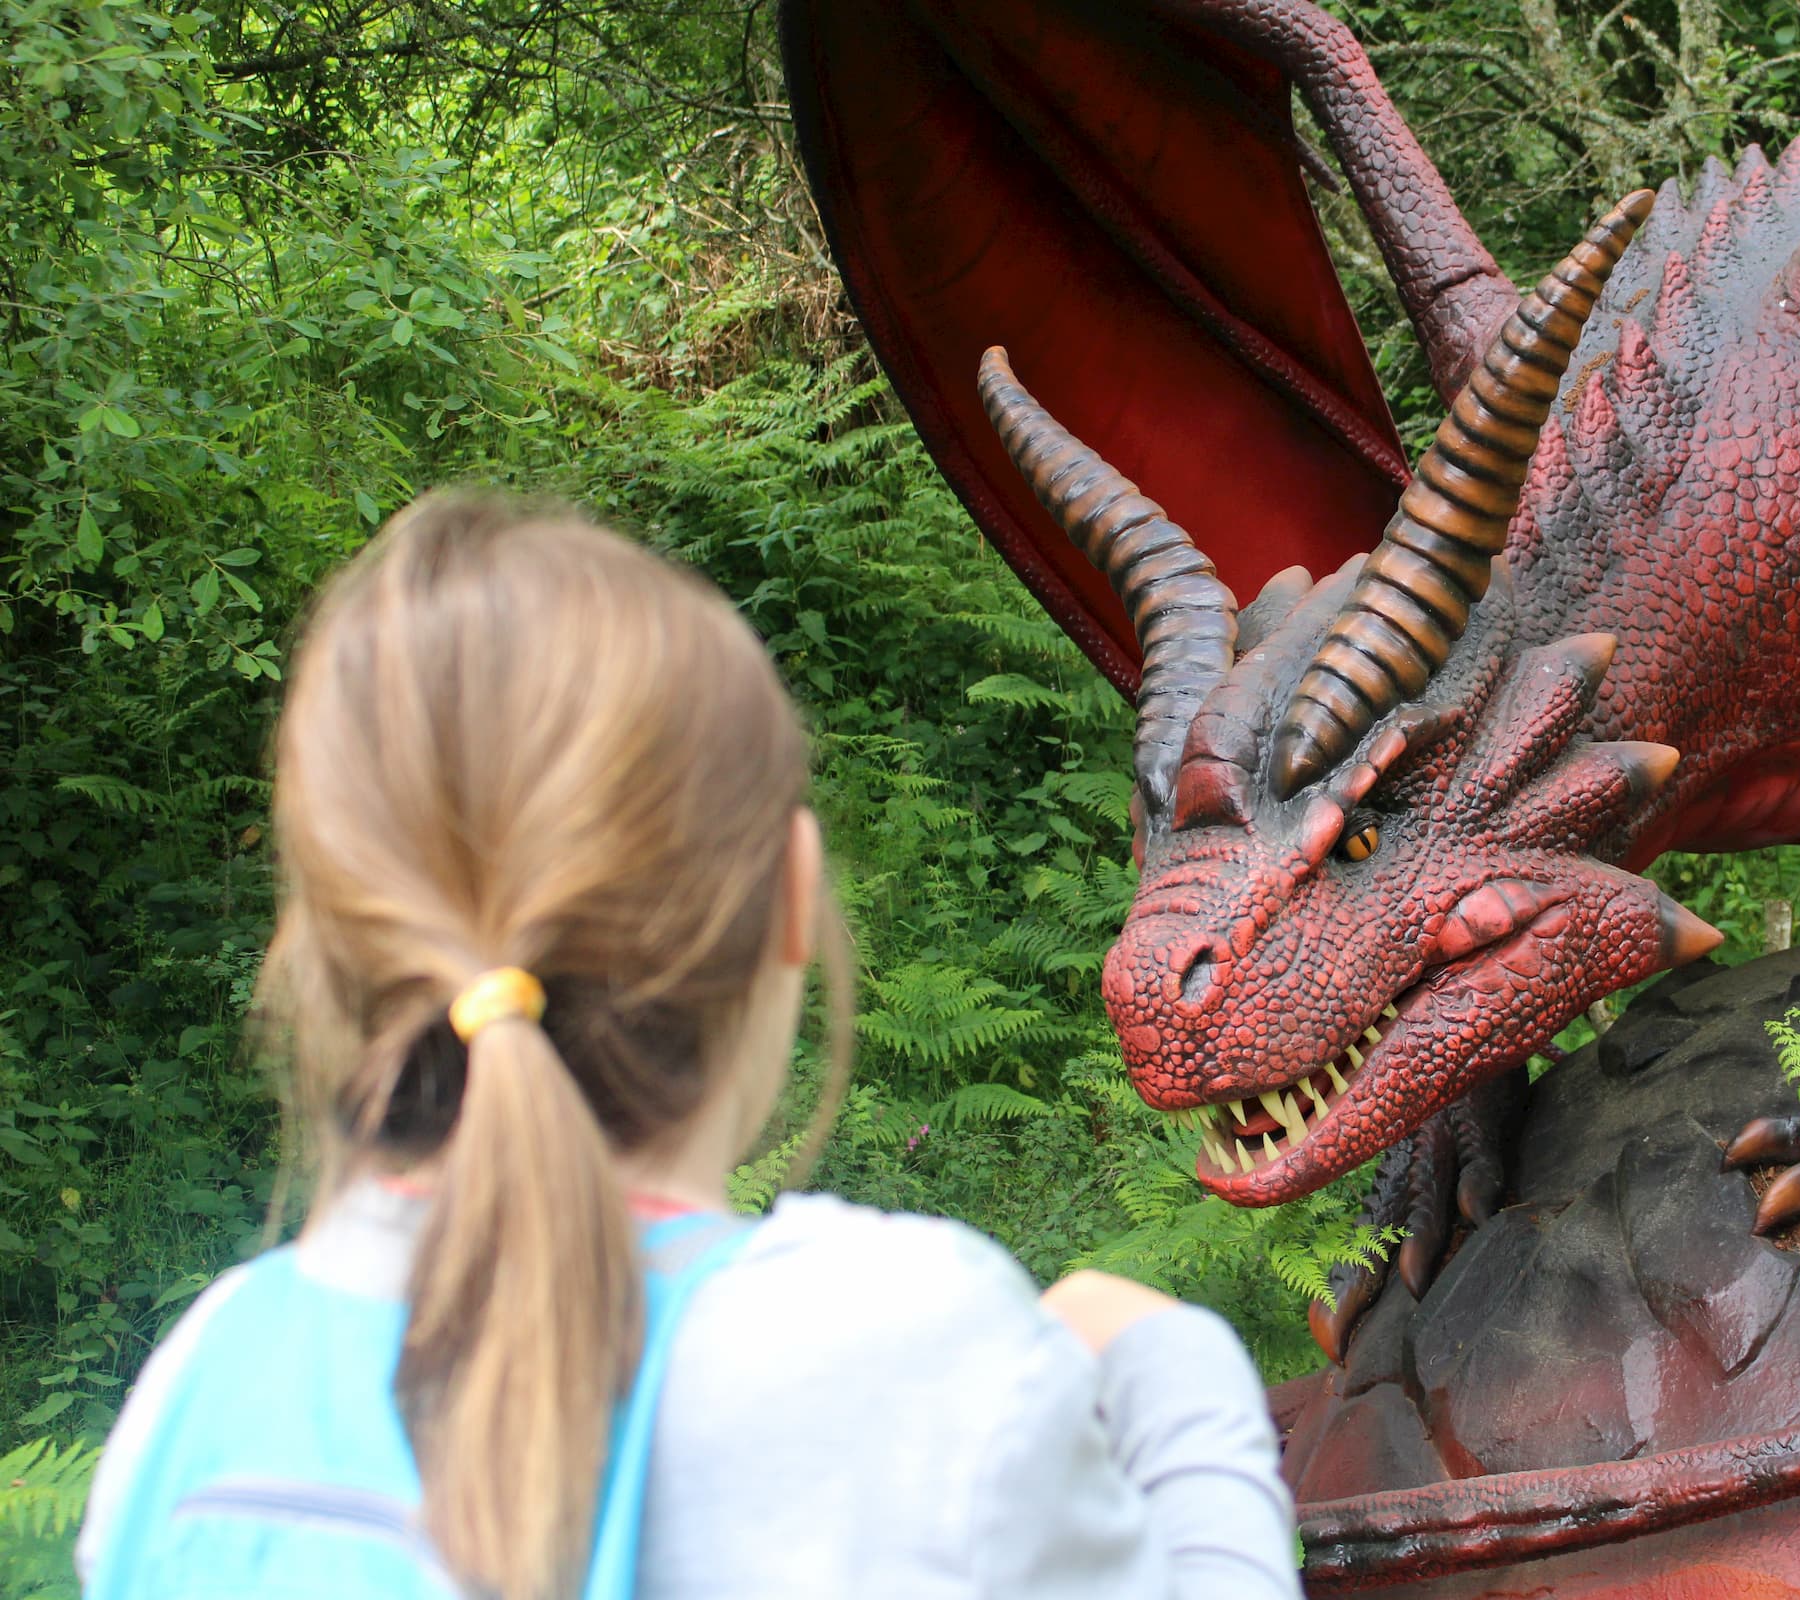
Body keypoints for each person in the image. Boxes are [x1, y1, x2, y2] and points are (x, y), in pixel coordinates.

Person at [74, 492, 1301, 1598]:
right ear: (789, 900)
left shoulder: (193, 1395)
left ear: (338, 941)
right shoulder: (904, 1369)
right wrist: (1171, 1368)